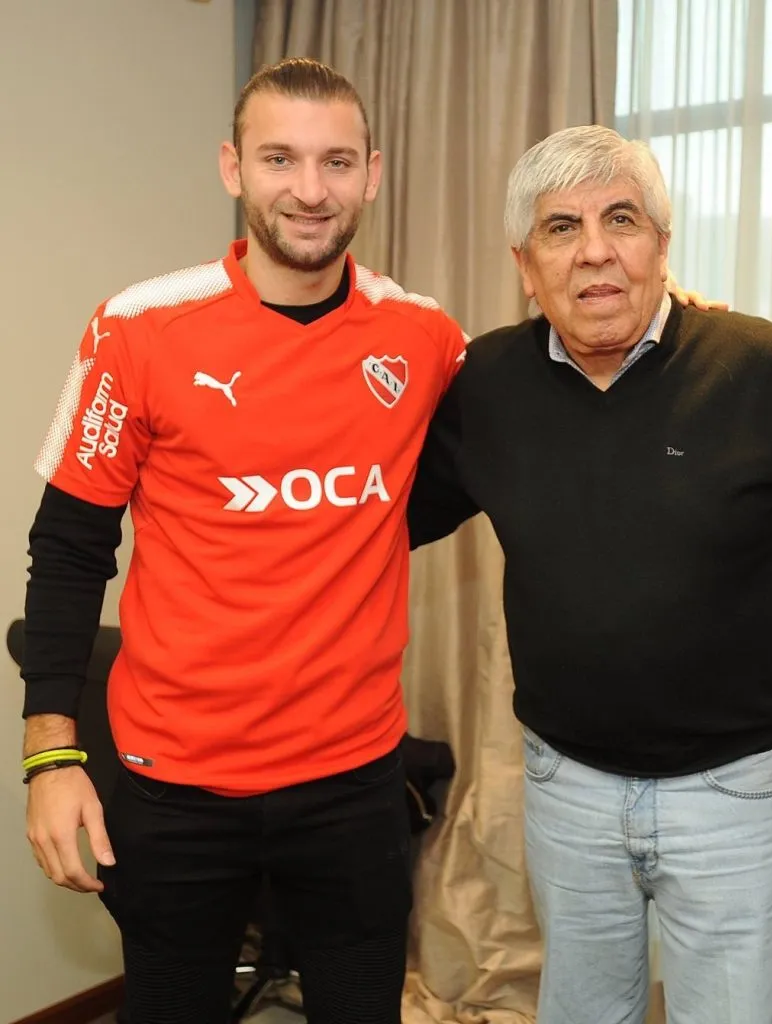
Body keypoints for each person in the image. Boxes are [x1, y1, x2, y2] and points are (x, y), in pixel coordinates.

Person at [20, 55, 717, 1023]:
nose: (309, 190)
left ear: (371, 175)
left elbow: (543, 392)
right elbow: (65, 550)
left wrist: (683, 331)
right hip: (173, 784)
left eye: (335, 162)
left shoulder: (420, 338)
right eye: (279, 159)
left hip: (350, 785)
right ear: (232, 168)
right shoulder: (140, 329)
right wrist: (52, 756)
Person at [407, 124, 772, 1024]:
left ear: (662, 242)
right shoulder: (487, 382)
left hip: (730, 795)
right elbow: (370, 517)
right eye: (561, 228)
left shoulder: (760, 366)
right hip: (563, 787)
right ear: (525, 264)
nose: (597, 250)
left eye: (622, 219)